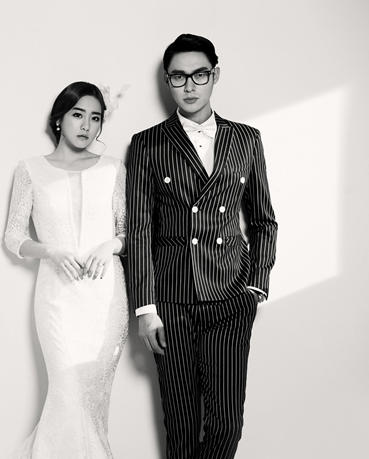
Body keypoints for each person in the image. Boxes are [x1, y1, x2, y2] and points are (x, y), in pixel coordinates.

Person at [126, 34, 278, 459]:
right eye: (178, 77)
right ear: (167, 80)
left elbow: (264, 220)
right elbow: (139, 230)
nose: (189, 86)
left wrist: (255, 287)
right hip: (170, 301)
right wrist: (145, 309)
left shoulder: (246, 139)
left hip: (230, 296)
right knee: (181, 424)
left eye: (199, 75)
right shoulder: (148, 143)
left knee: (227, 424)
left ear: (215, 75)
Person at [4, 81, 128, 458]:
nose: (86, 125)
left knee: (92, 405)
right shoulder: (31, 170)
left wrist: (109, 246)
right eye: (78, 115)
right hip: (57, 299)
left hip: (106, 300)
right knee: (67, 393)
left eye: (95, 118)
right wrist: (52, 251)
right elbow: (13, 236)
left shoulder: (113, 169)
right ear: (60, 119)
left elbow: (128, 232)